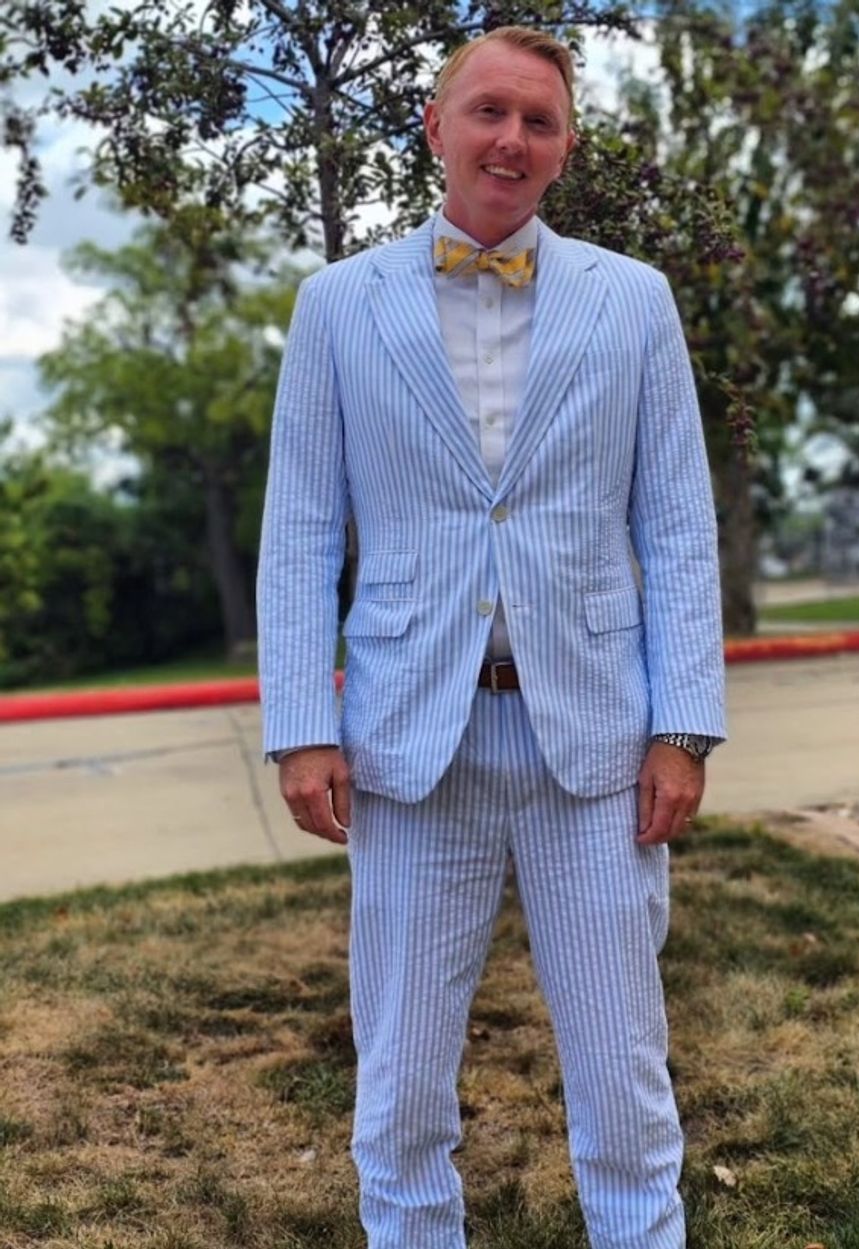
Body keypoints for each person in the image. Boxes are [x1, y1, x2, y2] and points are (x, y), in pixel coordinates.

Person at [256, 25, 725, 1249]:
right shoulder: (336, 307)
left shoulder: (633, 302)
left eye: (539, 121)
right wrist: (302, 726)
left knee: (622, 1069)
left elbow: (676, 525)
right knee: (402, 1077)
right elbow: (301, 526)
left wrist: (683, 728)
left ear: (565, 149)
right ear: (434, 122)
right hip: (414, 747)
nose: (510, 140)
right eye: (489, 112)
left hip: (597, 748)